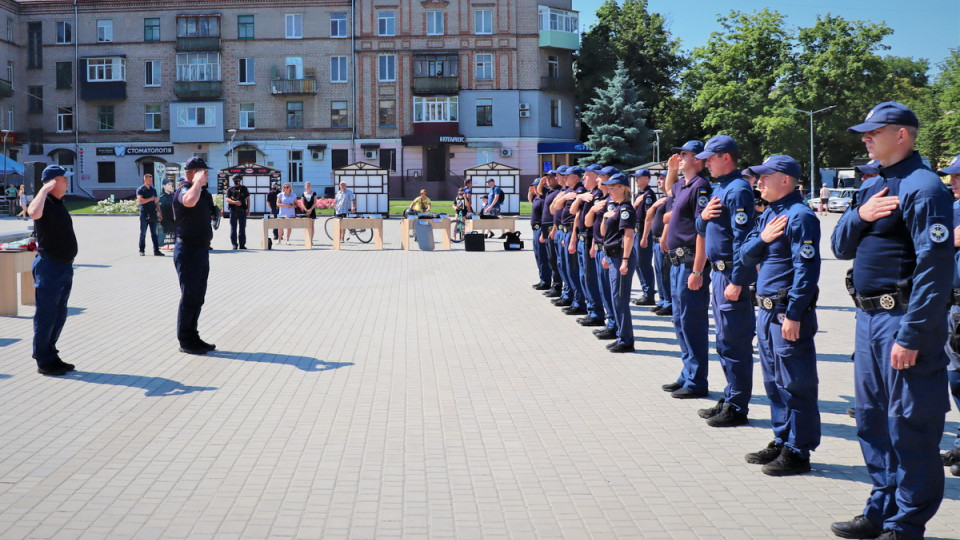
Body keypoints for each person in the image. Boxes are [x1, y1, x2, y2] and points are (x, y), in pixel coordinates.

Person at [830, 102, 952, 540]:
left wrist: (913, 333)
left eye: (873, 132)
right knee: (872, 419)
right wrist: (859, 215)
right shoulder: (875, 186)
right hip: (868, 320)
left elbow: (934, 271)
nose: (865, 138)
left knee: (909, 424)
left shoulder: (924, 188)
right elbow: (841, 246)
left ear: (902, 135)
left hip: (902, 321)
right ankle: (881, 507)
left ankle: (906, 524)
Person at [739, 155, 821, 476]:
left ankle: (799, 450)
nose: (758, 183)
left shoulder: (800, 216)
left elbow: (807, 271)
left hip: (787, 313)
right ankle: (782, 438)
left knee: (796, 383)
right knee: (773, 382)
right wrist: (764, 238)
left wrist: (795, 313)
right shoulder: (771, 214)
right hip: (765, 311)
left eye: (764, 177)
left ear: (785, 180)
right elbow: (745, 255)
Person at [694, 135, 757, 427]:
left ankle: (738, 405)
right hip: (719, 272)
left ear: (726, 157)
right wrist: (703, 216)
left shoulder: (738, 189)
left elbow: (744, 239)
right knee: (723, 341)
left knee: (735, 342)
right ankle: (731, 395)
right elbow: (699, 225)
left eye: (711, 158)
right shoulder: (722, 187)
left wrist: (739, 280)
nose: (706, 163)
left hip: (731, 273)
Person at [661, 141, 712, 399]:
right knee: (679, 320)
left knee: (692, 322)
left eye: (684, 155)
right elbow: (670, 193)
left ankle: (697, 380)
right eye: (679, 153)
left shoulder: (701, 187)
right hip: (676, 261)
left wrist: (698, 271)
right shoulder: (683, 185)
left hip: (691, 262)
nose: (679, 157)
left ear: (698, 160)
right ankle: (687, 372)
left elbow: (703, 230)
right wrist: (672, 170)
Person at [28, 165, 78, 376]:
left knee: (59, 314)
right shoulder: (45, 202)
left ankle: (51, 354)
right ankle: (43, 360)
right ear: (52, 182)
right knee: (46, 315)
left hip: (63, 266)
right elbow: (32, 212)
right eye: (63, 179)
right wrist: (44, 190)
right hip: (49, 266)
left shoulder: (57, 202)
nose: (67, 182)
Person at [172, 157, 217, 355]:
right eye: (203, 172)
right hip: (188, 251)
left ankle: (193, 336)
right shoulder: (184, 190)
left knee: (198, 296)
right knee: (189, 296)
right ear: (193, 173)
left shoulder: (201, 192)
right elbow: (189, 201)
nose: (207, 175)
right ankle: (186, 341)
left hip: (200, 250)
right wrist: (197, 181)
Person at [938, 154, 960, 477]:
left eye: (958, 176)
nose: (952, 180)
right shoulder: (952, 208)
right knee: (955, 377)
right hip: (951, 305)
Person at [599, 173, 638, 353]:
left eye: (613, 187)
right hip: (614, 256)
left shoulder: (626, 210)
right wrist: (606, 217)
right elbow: (608, 234)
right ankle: (621, 336)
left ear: (623, 188)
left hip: (622, 257)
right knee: (616, 298)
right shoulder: (617, 208)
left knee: (620, 299)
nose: (609, 191)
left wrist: (624, 261)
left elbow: (628, 236)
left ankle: (626, 340)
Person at [571, 164, 606, 326]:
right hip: (582, 239)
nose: (584, 177)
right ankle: (592, 310)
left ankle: (596, 313)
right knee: (584, 277)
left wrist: (592, 244)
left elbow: (597, 225)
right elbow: (574, 213)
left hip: (590, 240)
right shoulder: (588, 194)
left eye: (587, 175)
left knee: (590, 278)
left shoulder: (598, 196)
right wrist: (579, 198)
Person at [552, 166, 588, 316]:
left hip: (571, 231)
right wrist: (563, 198)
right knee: (564, 267)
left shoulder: (580, 191)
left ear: (576, 177)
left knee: (573, 269)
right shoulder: (568, 191)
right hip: (563, 231)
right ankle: (572, 298)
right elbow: (554, 208)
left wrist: (572, 238)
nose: (564, 178)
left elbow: (577, 216)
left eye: (568, 176)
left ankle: (578, 301)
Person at [645, 174, 673, 316]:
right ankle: (662, 300)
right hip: (655, 240)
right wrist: (655, 205)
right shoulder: (662, 199)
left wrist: (664, 238)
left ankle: (669, 302)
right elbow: (648, 216)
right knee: (659, 272)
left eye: (662, 178)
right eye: (659, 179)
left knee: (665, 273)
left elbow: (669, 220)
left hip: (664, 241)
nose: (660, 181)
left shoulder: (671, 198)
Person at [631, 169, 657, 306]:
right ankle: (645, 291)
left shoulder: (648, 195)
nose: (636, 179)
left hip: (642, 232)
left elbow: (649, 217)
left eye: (639, 177)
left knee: (644, 263)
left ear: (647, 179)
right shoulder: (640, 194)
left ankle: (649, 294)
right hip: (636, 232)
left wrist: (645, 236)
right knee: (637, 263)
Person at [540, 171, 563, 298]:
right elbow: (538, 192)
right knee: (550, 258)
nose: (548, 180)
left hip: (552, 227)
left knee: (555, 259)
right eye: (546, 178)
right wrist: (543, 182)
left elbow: (556, 213)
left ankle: (558, 286)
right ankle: (555, 285)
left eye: (550, 178)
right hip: (546, 227)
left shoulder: (559, 191)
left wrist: (553, 229)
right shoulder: (550, 191)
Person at [529, 178, 552, 290]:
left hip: (541, 229)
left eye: (534, 186)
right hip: (535, 230)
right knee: (538, 256)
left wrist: (544, 232)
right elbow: (530, 198)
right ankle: (542, 278)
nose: (532, 188)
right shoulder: (537, 198)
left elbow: (545, 217)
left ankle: (546, 281)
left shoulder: (543, 199)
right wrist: (531, 191)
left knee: (543, 257)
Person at [136, 173, 164, 256]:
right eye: (149, 179)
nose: (151, 181)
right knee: (143, 233)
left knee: (154, 233)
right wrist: (150, 199)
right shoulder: (140, 189)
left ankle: (156, 251)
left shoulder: (153, 190)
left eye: (151, 179)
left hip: (153, 214)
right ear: (145, 179)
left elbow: (156, 202)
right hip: (144, 214)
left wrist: (160, 213)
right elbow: (140, 201)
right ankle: (141, 250)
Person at [225, 174, 250, 250]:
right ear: (233, 180)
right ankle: (234, 244)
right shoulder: (230, 189)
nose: (237, 181)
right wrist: (234, 202)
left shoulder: (244, 188)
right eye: (235, 180)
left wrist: (248, 210)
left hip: (242, 211)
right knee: (233, 228)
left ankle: (242, 245)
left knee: (242, 228)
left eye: (238, 179)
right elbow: (227, 199)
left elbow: (248, 199)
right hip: (233, 211)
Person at [297, 181, 319, 247]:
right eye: (307, 185)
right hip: (305, 211)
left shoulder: (314, 193)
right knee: (306, 226)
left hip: (312, 211)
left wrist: (311, 209)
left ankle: (311, 240)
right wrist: (306, 210)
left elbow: (315, 203)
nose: (308, 186)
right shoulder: (303, 194)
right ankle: (307, 239)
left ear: (311, 186)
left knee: (312, 226)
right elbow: (302, 203)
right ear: (305, 187)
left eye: (309, 185)